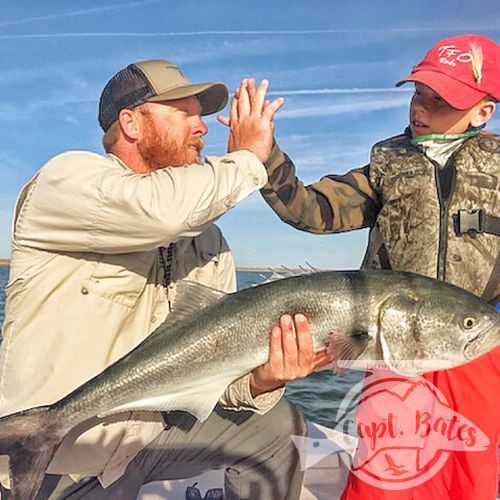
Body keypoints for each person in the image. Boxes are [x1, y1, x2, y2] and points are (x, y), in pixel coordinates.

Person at [0, 60, 330, 499]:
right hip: (65, 457)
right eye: (185, 113)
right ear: (131, 123)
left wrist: (262, 380)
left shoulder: (210, 242)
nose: (204, 128)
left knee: (277, 428)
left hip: (146, 443)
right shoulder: (66, 180)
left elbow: (216, 375)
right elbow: (162, 213)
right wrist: (249, 159)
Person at [249, 34, 499, 499]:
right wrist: (267, 160)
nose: (420, 107)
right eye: (419, 92)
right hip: (393, 344)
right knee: (386, 478)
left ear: (482, 111)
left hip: (475, 345)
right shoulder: (386, 163)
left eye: (441, 100)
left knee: (470, 475)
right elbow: (311, 209)